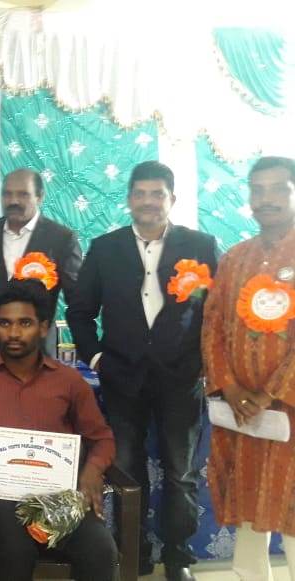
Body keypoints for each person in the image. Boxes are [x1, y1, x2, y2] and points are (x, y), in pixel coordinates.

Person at [66, 161, 218, 580]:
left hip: (182, 377)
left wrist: (206, 362)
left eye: (157, 194)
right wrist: (97, 359)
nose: (148, 202)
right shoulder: (105, 247)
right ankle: (134, 553)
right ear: (129, 199)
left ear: (172, 199)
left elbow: (217, 311)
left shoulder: (201, 245)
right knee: (127, 469)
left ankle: (178, 557)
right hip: (122, 377)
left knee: (181, 472)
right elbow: (80, 311)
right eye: (140, 194)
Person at [0, 279, 117, 581]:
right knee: (16, 548)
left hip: (58, 498)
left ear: (43, 327)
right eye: (5, 323)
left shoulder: (70, 382)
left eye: (25, 323)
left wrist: (93, 471)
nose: (14, 333)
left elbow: (103, 439)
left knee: (100, 548)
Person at [202, 156, 295, 581]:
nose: (265, 199)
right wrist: (230, 386)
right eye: (258, 190)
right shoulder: (235, 259)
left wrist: (270, 393)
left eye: (278, 189)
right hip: (241, 413)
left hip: (287, 411)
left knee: (290, 507)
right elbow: (212, 327)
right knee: (246, 506)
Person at [0, 168, 81, 353]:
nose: (13, 201)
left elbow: (78, 300)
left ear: (40, 197)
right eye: (7, 194)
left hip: (36, 349)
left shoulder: (62, 238)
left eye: (23, 194)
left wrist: (87, 349)